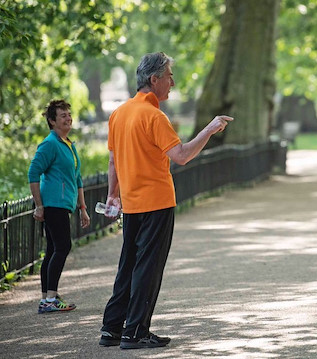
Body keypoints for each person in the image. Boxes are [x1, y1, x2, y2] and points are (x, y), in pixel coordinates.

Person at [99, 52, 233, 350]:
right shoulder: (154, 116)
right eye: (169, 76)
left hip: (132, 203)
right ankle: (135, 332)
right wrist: (210, 129)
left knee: (128, 265)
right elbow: (182, 156)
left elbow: (113, 161)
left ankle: (112, 329)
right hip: (157, 202)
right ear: (154, 79)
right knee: (148, 268)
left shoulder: (119, 114)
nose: (173, 82)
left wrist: (112, 195)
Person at [28, 100, 90, 314]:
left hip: (65, 205)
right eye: (62, 115)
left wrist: (82, 208)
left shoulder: (68, 145)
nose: (68, 118)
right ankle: (50, 299)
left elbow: (78, 178)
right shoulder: (50, 144)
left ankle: (47, 298)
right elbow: (33, 173)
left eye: (68, 114)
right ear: (52, 121)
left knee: (53, 249)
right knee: (63, 247)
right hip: (53, 204)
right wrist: (39, 205)